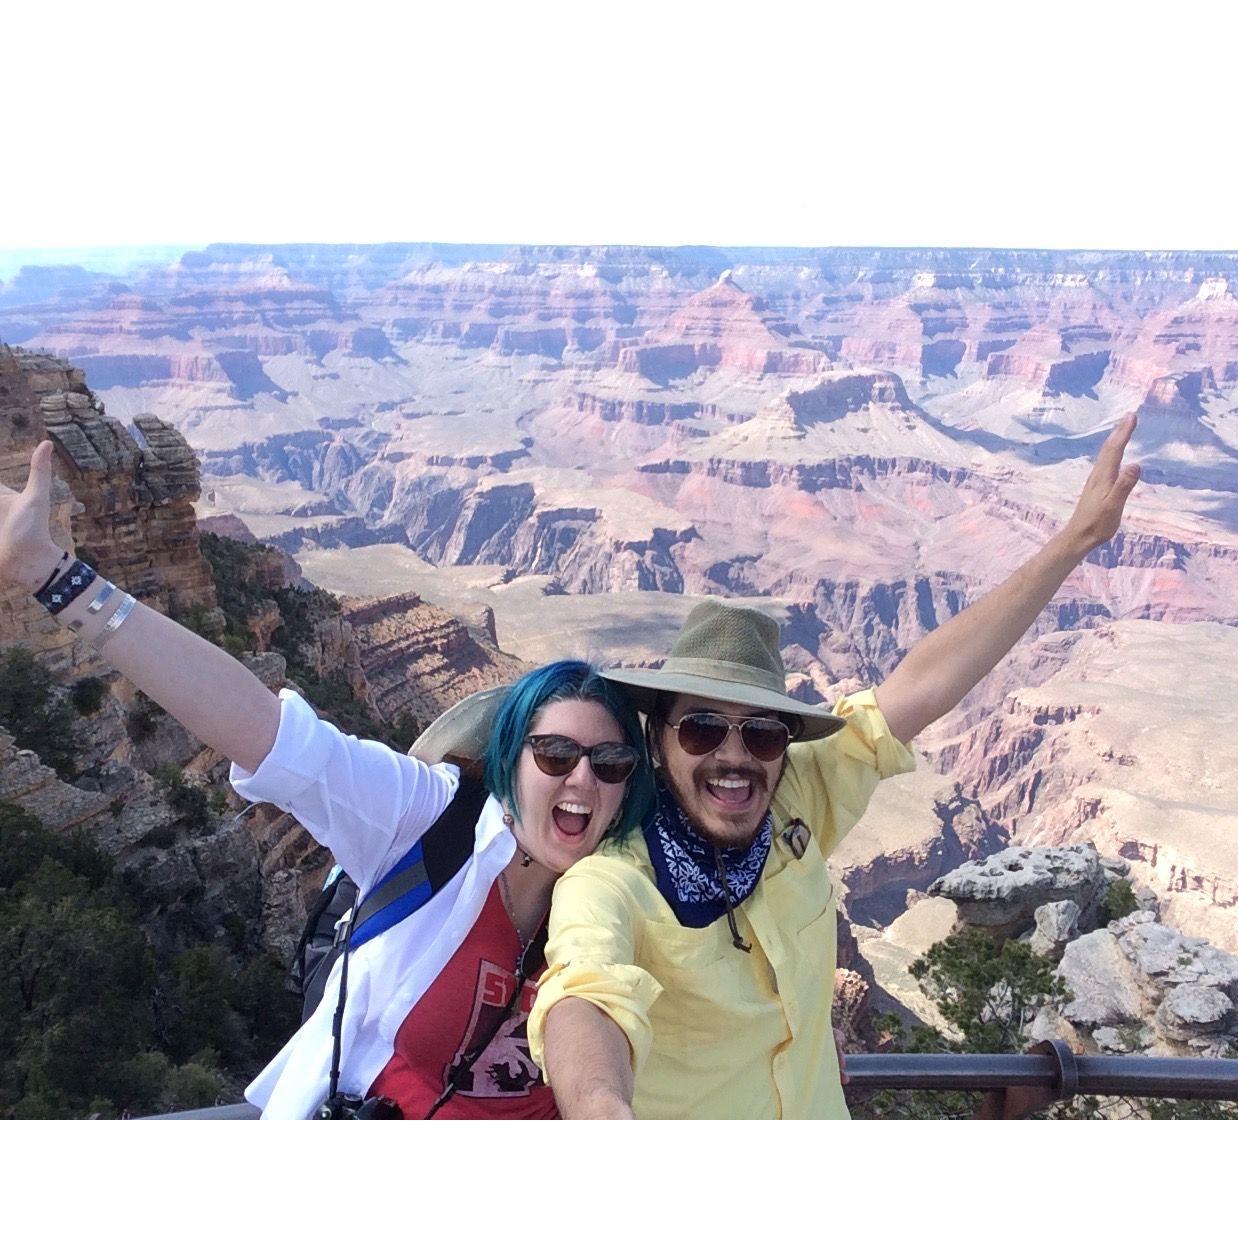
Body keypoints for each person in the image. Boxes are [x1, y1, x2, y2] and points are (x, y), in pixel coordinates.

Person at [0, 441, 653, 1119]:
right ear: (511, 760)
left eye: (610, 764)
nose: (583, 778)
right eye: (554, 754)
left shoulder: (632, 885)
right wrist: (54, 574)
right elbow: (258, 727)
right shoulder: (430, 821)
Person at [527, 413, 1144, 1119]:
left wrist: (1074, 542)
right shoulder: (616, 882)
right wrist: (602, 1108)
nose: (733, 756)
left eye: (761, 734)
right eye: (701, 729)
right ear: (658, 740)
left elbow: (925, 684)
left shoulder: (797, 799)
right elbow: (584, 992)